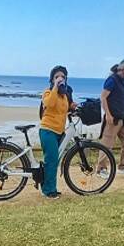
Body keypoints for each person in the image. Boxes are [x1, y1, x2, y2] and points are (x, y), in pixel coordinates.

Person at [39, 65, 77, 198]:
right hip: (48, 130)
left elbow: (63, 110)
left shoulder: (64, 96)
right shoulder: (48, 92)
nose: (60, 79)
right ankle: (49, 191)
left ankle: (48, 186)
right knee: (51, 160)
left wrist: (73, 106)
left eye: (63, 77)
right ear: (52, 79)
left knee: (54, 161)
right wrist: (55, 86)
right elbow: (49, 104)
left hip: (59, 131)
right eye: (57, 77)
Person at [97, 59, 124, 177]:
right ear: (123, 69)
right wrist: (108, 114)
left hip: (122, 118)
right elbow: (103, 97)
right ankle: (101, 169)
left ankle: (123, 166)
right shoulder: (112, 80)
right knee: (107, 144)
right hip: (112, 118)